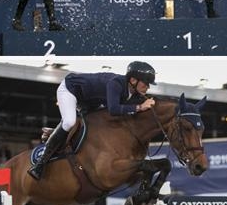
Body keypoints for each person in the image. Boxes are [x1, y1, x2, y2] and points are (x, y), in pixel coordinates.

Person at [28, 61, 157, 180]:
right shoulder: (116, 83)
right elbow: (113, 109)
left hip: (89, 102)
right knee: (69, 122)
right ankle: (40, 164)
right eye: (146, 83)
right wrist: (140, 107)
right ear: (133, 80)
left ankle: (57, 133)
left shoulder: (133, 92)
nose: (148, 87)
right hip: (71, 90)